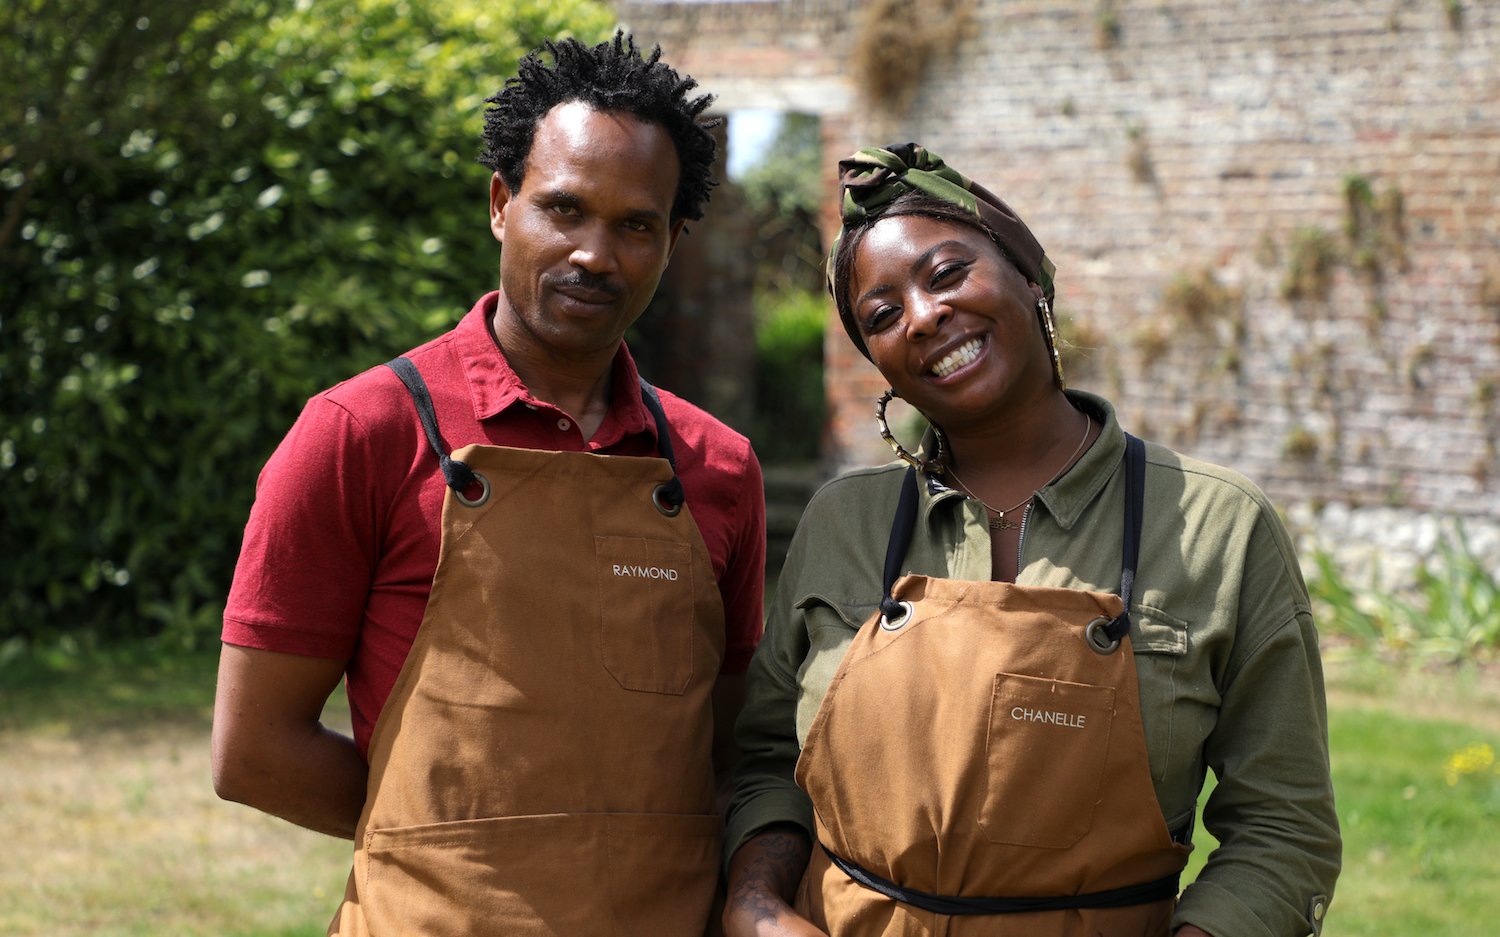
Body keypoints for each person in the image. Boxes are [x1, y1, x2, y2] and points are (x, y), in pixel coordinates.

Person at [211, 33, 766, 936]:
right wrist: (464, 844)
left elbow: (720, 750)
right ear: (502, 205)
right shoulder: (361, 432)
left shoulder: (719, 466)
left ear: (671, 242)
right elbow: (253, 752)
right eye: (564, 208)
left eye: (636, 225)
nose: (596, 253)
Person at [721, 144, 1341, 937]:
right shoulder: (843, 522)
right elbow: (771, 759)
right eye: (881, 315)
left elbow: (1285, 830)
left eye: (947, 274)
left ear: (1030, 275)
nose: (923, 315)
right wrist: (759, 903)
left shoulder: (1218, 527)